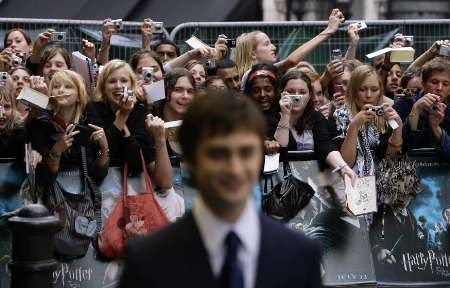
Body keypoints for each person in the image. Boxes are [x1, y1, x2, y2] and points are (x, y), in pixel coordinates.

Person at [119, 90, 322, 288]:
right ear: (190, 160)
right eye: (218, 154)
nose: (234, 169)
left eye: (246, 152)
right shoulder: (147, 258)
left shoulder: (301, 255)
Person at [273, 70, 356, 180]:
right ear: (282, 93)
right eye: (291, 91)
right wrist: (285, 115)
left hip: (313, 181)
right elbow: (281, 145)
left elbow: (326, 145)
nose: (297, 96)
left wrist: (343, 167)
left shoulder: (316, 117)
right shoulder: (272, 117)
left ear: (309, 95)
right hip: (282, 181)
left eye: (302, 92)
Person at [331, 65, 403, 176]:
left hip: (381, 182)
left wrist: (398, 127)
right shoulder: (340, 116)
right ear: (353, 91)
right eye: (362, 89)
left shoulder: (384, 114)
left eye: (374, 90)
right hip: (350, 181)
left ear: (380, 92)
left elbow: (390, 158)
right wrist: (354, 126)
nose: (368, 95)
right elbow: (346, 163)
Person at [234, 8, 345, 78]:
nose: (273, 47)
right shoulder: (250, 75)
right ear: (253, 54)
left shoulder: (264, 72)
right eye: (266, 44)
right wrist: (329, 30)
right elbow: (291, 61)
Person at [395, 57, 450, 160]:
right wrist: (415, 111)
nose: (439, 88)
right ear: (423, 84)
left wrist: (436, 128)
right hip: (410, 170)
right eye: (434, 82)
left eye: (445, 84)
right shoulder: (404, 104)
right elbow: (399, 148)